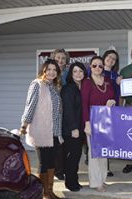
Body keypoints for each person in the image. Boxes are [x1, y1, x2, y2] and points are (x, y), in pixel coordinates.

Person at [20, 59, 63, 199]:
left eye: (54, 70)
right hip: (41, 131)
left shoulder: (54, 87)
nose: (52, 72)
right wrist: (24, 126)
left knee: (51, 162)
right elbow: (30, 106)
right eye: (49, 69)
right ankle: (44, 193)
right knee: (43, 162)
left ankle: (49, 191)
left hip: (54, 132)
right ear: (43, 70)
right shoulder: (37, 84)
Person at [81, 55, 116, 192]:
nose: (97, 68)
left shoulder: (107, 80)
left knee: (104, 152)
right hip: (93, 119)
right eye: (94, 65)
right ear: (90, 67)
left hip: (106, 120)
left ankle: (102, 179)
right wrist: (87, 123)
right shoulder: (87, 82)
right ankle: (95, 182)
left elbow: (112, 96)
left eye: (100, 66)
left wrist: (111, 102)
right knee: (94, 153)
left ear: (103, 68)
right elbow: (84, 104)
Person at [61, 62, 87, 192]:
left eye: (80, 71)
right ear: (71, 74)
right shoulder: (68, 88)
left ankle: (72, 179)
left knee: (76, 156)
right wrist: (73, 128)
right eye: (75, 71)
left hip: (80, 128)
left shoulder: (82, 87)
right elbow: (68, 110)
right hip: (71, 130)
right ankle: (71, 183)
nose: (78, 74)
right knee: (73, 156)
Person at [50, 48, 70, 181]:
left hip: (67, 111)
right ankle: (58, 170)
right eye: (58, 58)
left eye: (63, 58)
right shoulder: (49, 73)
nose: (60, 60)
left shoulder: (68, 73)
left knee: (65, 142)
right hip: (53, 112)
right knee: (55, 142)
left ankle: (63, 168)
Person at [102, 49, 122, 177]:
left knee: (107, 140)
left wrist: (120, 84)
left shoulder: (115, 75)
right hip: (99, 110)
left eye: (114, 59)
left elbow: (118, 94)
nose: (111, 60)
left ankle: (106, 167)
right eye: (109, 57)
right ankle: (99, 166)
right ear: (104, 57)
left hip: (112, 110)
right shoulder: (96, 70)